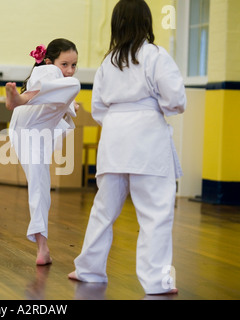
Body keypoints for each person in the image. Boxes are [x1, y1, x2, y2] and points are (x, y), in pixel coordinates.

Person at [68, 0, 186, 295]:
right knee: (156, 212)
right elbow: (176, 101)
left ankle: (88, 270)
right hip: (148, 139)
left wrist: (120, 120)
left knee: (104, 209)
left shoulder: (108, 61)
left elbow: (98, 109)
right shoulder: (156, 55)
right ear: (146, 22)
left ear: (116, 23)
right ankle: (157, 282)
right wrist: (152, 108)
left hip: (114, 139)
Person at [5, 38, 81, 265]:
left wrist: (71, 106)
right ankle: (42, 248)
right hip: (31, 127)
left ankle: (43, 248)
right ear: (49, 60)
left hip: (25, 127)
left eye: (74, 65)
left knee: (40, 187)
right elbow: (46, 84)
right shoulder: (49, 72)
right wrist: (19, 99)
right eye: (64, 64)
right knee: (39, 189)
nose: (69, 70)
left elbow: (54, 97)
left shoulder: (50, 75)